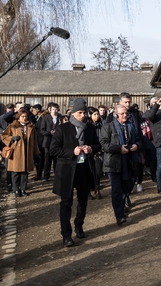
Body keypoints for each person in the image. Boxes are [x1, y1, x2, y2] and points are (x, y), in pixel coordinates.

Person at [50, 98, 101, 247]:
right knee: (66, 202)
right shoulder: (63, 129)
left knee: (83, 200)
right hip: (66, 170)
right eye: (80, 113)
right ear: (73, 113)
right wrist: (71, 151)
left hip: (84, 168)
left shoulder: (90, 128)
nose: (83, 115)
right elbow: (53, 149)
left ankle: (79, 225)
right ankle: (66, 234)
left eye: (85, 113)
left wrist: (91, 149)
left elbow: (98, 145)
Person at [100, 104, 141, 226]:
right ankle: (119, 215)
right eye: (122, 113)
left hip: (129, 161)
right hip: (114, 163)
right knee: (116, 190)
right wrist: (119, 148)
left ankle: (122, 205)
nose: (125, 115)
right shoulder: (108, 127)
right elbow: (103, 144)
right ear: (116, 114)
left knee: (127, 187)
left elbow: (139, 139)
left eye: (126, 113)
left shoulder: (131, 126)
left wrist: (137, 145)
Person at [1, 110, 40, 197]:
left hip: (27, 151)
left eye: (26, 116)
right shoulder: (13, 126)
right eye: (23, 116)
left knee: (24, 172)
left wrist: (36, 151)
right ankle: (16, 190)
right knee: (16, 172)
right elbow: (4, 136)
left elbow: (35, 140)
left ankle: (23, 189)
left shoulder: (31, 126)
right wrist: (12, 138)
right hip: (16, 152)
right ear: (18, 118)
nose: (25, 118)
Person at [39, 102, 62, 182]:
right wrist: (49, 132)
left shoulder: (60, 118)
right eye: (53, 109)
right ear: (50, 110)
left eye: (56, 109)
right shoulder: (45, 118)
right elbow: (41, 130)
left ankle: (57, 175)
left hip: (57, 142)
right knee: (47, 159)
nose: (54, 111)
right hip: (47, 142)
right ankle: (46, 176)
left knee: (57, 159)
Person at [88, 108, 104, 199]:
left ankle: (97, 189)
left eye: (97, 114)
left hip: (99, 152)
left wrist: (100, 148)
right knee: (89, 172)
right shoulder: (87, 126)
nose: (97, 116)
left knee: (98, 172)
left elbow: (103, 138)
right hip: (90, 153)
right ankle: (88, 191)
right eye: (94, 114)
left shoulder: (102, 125)